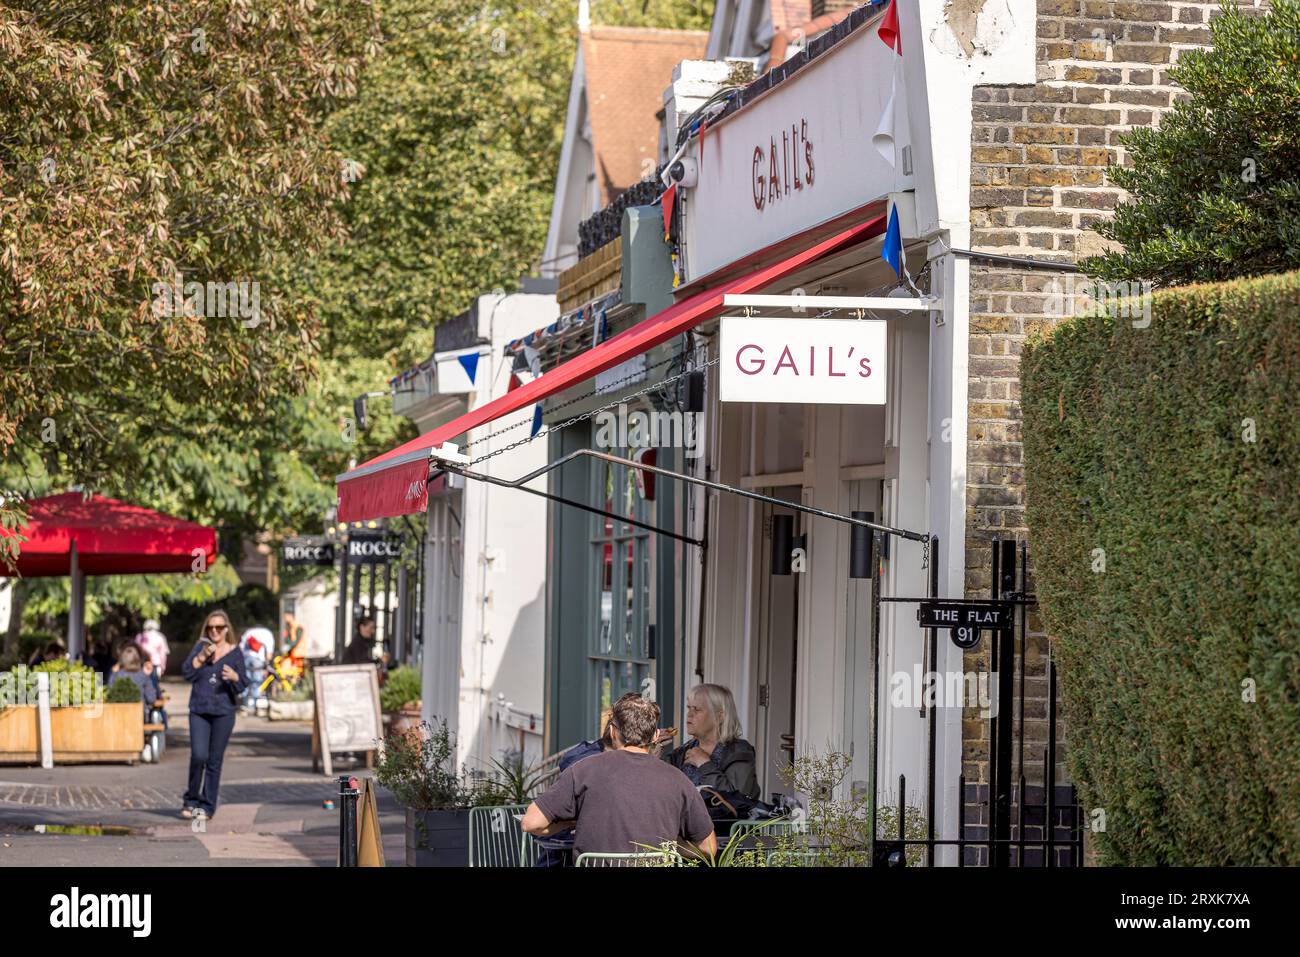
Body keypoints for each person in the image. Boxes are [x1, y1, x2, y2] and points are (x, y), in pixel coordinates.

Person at [522, 693, 717, 861]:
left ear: (613, 732)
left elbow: (531, 823)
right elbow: (708, 848)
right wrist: (671, 844)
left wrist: (573, 822)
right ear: (656, 736)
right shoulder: (678, 779)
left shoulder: (583, 770)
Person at [180, 609, 248, 822]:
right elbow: (187, 673)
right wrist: (201, 657)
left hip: (223, 712)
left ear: (226, 629)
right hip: (199, 710)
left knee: (214, 761)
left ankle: (207, 806)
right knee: (199, 755)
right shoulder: (201, 648)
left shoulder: (235, 653)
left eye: (219, 627)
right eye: (210, 628)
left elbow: (243, 685)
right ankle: (191, 799)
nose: (215, 631)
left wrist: (235, 677)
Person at [659, 683, 761, 800]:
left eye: (697, 709)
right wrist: (654, 757)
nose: (689, 714)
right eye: (689, 708)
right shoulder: (683, 751)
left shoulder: (739, 751)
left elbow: (740, 799)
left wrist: (704, 764)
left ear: (720, 717)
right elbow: (661, 791)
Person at [111, 644, 161, 720]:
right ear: (137, 659)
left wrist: (113, 673)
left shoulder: (117, 675)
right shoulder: (143, 676)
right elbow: (151, 699)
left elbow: (110, 694)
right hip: (139, 717)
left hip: (119, 716)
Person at [239, 625, 275, 712]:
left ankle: (244, 704)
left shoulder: (248, 632)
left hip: (246, 659)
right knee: (257, 683)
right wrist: (266, 667)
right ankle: (256, 706)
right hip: (258, 660)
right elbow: (269, 654)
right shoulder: (267, 634)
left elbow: (240, 648)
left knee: (246, 681)